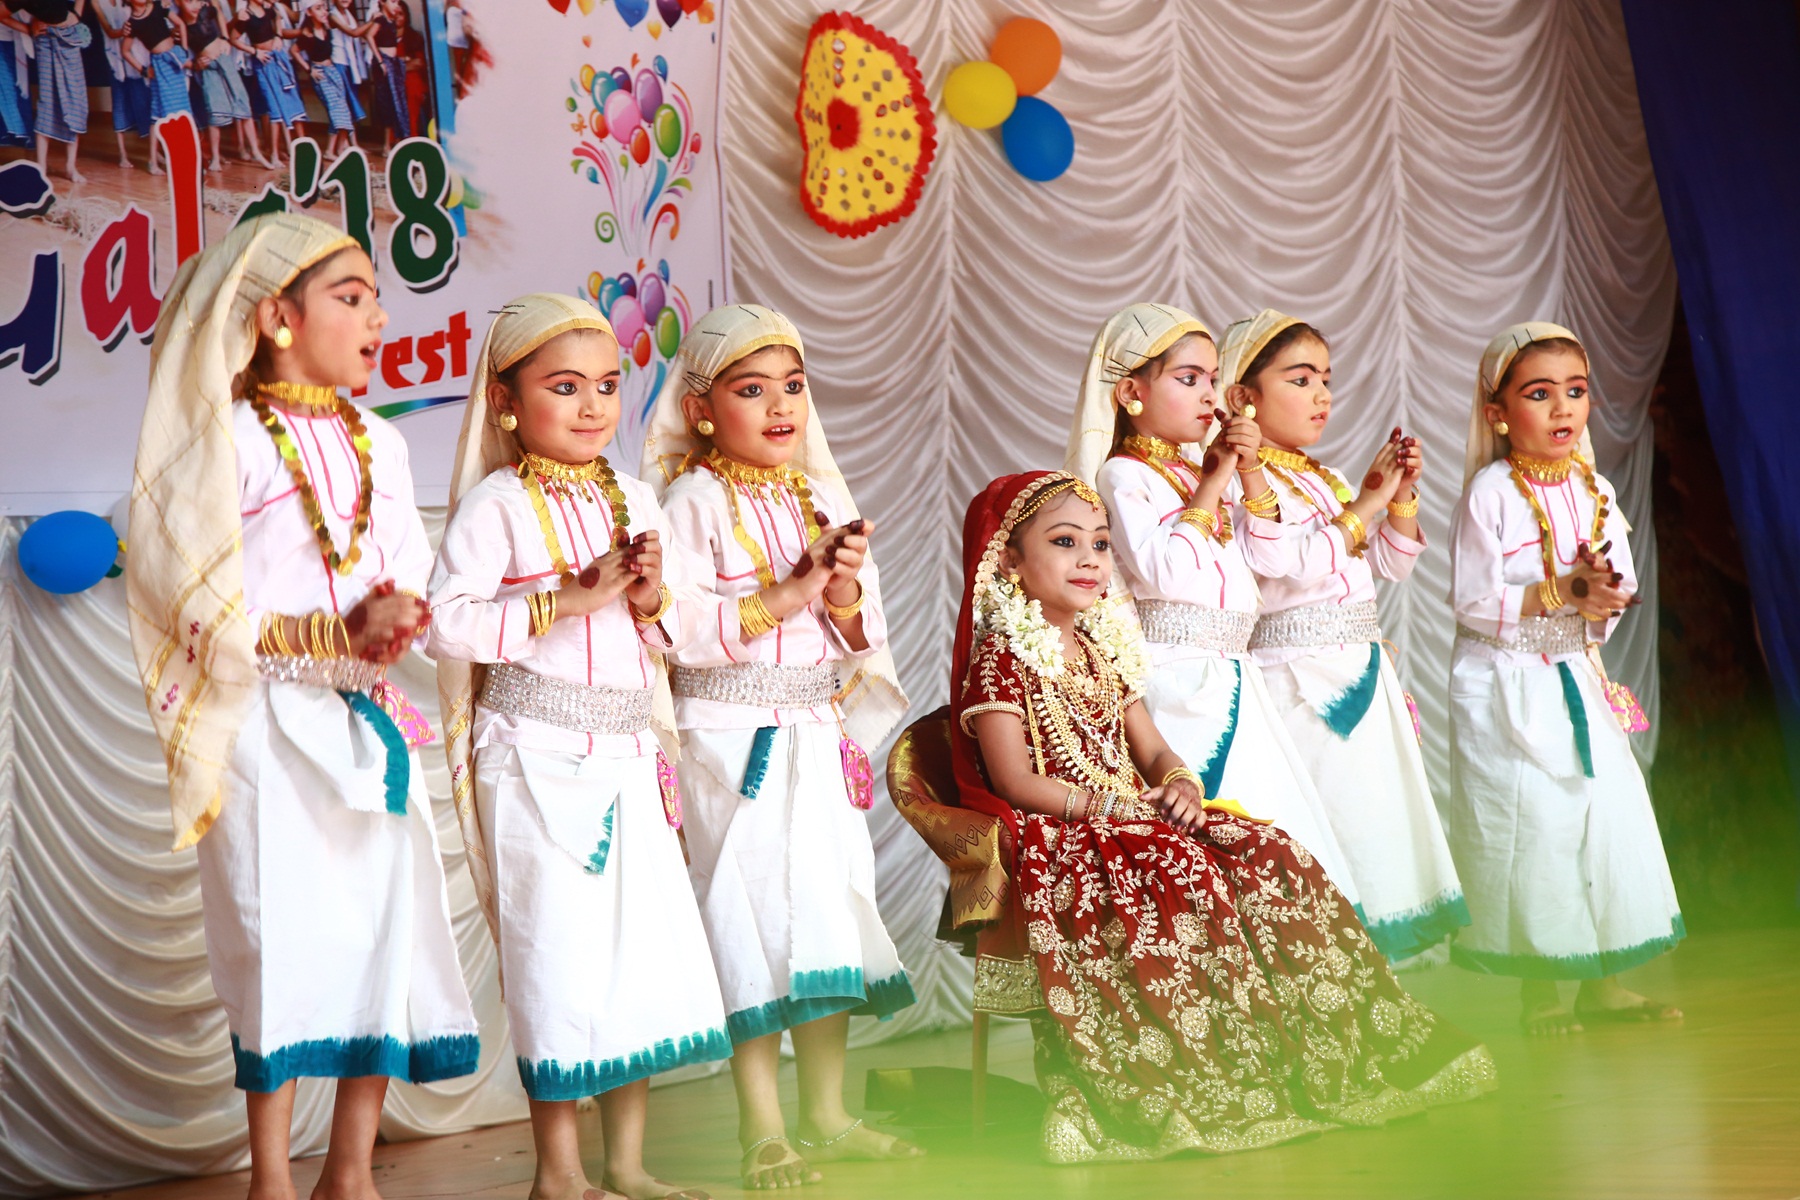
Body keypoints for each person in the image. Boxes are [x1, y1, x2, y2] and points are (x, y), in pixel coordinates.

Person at [952, 469, 1497, 1163]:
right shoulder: (1002, 658)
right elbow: (1014, 780)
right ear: (1008, 559)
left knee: (1270, 852)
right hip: (1064, 834)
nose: (1089, 559)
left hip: (1134, 817)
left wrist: (1179, 781)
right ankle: (1182, 1082)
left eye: (1100, 543)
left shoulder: (1101, 650)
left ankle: (1295, 1057)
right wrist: (1110, 808)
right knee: (1181, 870)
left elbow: (1151, 748)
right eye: (1065, 542)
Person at [126, 212, 479, 1200]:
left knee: (383, 932)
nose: (377, 319)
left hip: (367, 719)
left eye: (379, 300)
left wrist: (396, 622)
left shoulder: (383, 444)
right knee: (273, 934)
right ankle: (272, 1179)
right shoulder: (226, 441)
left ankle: (351, 1175)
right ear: (277, 319)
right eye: (351, 298)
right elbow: (188, 597)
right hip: (262, 726)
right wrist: (332, 632)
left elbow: (405, 576)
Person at [430, 293, 725, 1200]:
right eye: (565, 387)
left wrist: (649, 601)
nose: (593, 405)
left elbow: (681, 634)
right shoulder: (494, 505)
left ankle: (626, 1166)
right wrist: (567, 598)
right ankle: (558, 1175)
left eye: (606, 384)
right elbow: (447, 624)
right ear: (505, 401)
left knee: (636, 960)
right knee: (553, 960)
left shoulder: (636, 497)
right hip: (532, 754)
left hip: (630, 752)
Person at [642, 304, 920, 1190]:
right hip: (730, 745)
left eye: (792, 387)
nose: (780, 407)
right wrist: (790, 592)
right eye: (752, 390)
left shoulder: (821, 496)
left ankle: (827, 1115)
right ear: (699, 410)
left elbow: (862, 635)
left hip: (814, 733)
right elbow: (679, 633)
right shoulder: (690, 501)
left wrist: (838, 595)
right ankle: (760, 1127)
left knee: (826, 918)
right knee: (749, 925)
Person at [1065, 302, 1359, 903]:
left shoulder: (1199, 470)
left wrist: (1248, 474)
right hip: (1175, 681)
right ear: (1130, 393)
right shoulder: (1123, 475)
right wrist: (1216, 479)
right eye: (1188, 378)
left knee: (1275, 838)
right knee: (1205, 846)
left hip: (1234, 674)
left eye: (1211, 378)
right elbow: (1166, 572)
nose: (1208, 394)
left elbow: (1267, 561)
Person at [1446, 322, 1684, 1034]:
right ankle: (1541, 993)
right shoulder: (1490, 492)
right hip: (1505, 681)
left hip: (1576, 672)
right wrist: (1563, 591)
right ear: (1497, 413)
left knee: (1602, 816)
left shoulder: (1595, 488)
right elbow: (1472, 600)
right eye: (1539, 394)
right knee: (1533, 826)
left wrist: (1604, 592)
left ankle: (1607, 983)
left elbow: (1617, 582)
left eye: (1575, 392)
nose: (1562, 409)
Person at [1222, 309, 1468, 962]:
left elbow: (1391, 563)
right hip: (1298, 682)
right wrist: (1366, 505)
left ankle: (1378, 993)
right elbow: (1287, 564)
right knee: (1333, 830)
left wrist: (1401, 495)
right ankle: (1333, 984)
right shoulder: (1240, 477)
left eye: (1326, 379)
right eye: (1301, 379)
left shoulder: (1320, 477)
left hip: (1359, 670)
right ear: (1244, 396)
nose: (1322, 395)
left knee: (1377, 830)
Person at [176, 0, 269, 170]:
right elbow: (179, 57)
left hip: (224, 59)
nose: (195, 6)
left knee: (243, 102)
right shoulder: (180, 25)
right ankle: (215, 158)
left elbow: (218, 12)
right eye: (189, 2)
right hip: (208, 69)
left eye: (196, 0)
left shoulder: (205, 12)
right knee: (214, 111)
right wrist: (195, 64)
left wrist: (225, 38)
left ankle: (256, 151)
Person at [7, 0, 90, 182]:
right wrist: (27, 28)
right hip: (44, 39)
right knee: (47, 101)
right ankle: (41, 168)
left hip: (69, 35)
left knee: (75, 99)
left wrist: (77, 14)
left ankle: (70, 167)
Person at [124, 0, 188, 176]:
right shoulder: (132, 23)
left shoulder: (158, 6)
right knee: (160, 112)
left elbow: (180, 23)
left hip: (173, 61)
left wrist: (183, 50)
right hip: (159, 66)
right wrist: (143, 70)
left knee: (179, 109)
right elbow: (125, 51)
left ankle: (178, 156)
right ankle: (154, 160)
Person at [240, 0, 305, 167]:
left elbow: (277, 18)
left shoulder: (269, 9)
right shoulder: (245, 15)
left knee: (292, 102)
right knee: (274, 109)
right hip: (263, 63)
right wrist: (254, 51)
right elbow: (233, 39)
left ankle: (299, 149)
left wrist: (278, 36)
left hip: (277, 57)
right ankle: (274, 154)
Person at [92, 0, 151, 167]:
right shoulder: (96, 2)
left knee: (142, 101)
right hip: (114, 57)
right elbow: (110, 32)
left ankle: (153, 152)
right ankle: (122, 154)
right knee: (119, 102)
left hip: (134, 54)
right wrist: (126, 31)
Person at [362, 0, 405, 155]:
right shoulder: (380, 19)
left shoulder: (392, 21)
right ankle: (386, 146)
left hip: (393, 62)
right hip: (384, 62)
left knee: (397, 102)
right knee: (387, 102)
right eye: (392, 2)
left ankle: (398, 141)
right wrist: (380, 60)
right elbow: (369, 36)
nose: (396, 5)